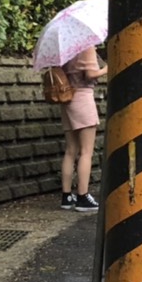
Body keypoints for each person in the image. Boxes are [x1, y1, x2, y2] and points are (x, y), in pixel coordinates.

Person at [60, 45, 107, 212]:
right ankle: (82, 196)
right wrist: (107, 69)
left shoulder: (64, 48)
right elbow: (91, 74)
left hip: (66, 98)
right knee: (86, 151)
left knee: (71, 150)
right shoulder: (86, 47)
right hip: (83, 97)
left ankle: (66, 196)